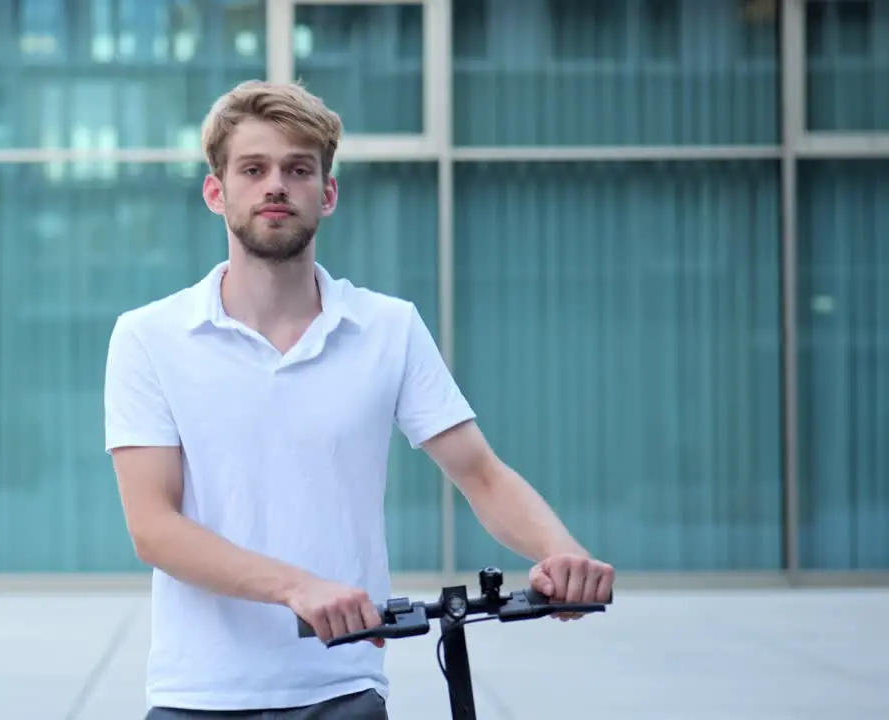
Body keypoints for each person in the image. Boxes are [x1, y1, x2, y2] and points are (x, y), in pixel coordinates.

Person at [103, 80, 615, 719]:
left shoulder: (388, 328)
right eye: (253, 169)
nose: (276, 186)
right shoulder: (149, 336)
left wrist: (559, 552)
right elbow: (153, 527)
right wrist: (297, 588)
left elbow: (480, 474)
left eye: (298, 169)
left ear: (328, 192)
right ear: (216, 191)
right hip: (198, 695)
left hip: (342, 687)